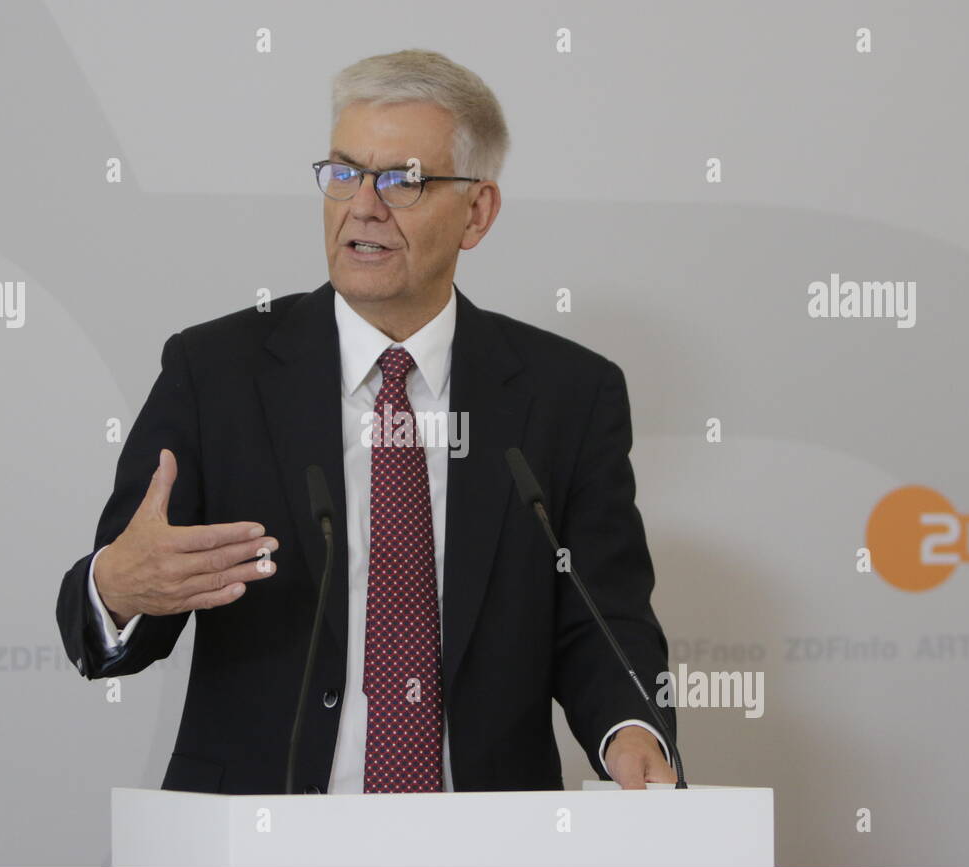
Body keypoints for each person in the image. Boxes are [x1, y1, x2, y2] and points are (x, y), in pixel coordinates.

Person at [55, 48, 677, 794]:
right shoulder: (215, 372)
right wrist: (117, 588)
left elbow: (601, 618)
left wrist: (633, 732)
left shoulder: (569, 395)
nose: (364, 205)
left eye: (403, 180)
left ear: (476, 211)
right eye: (344, 172)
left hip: (484, 835)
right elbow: (108, 629)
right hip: (260, 830)